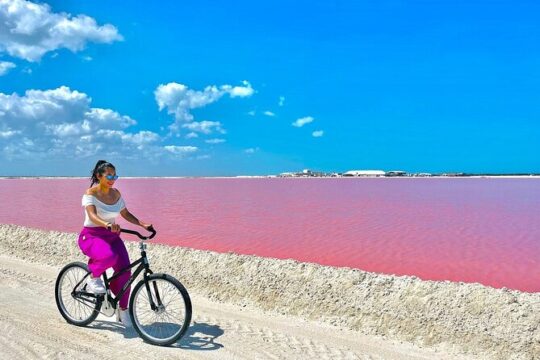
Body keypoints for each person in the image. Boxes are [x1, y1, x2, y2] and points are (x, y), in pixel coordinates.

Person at [78, 160, 153, 327]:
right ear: (99, 176)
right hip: (91, 236)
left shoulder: (116, 193)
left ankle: (123, 310)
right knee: (109, 257)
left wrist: (142, 224)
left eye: (115, 175)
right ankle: (93, 276)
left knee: (126, 273)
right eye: (109, 175)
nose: (113, 178)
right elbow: (92, 216)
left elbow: (125, 213)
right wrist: (107, 224)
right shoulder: (90, 194)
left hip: (112, 236)